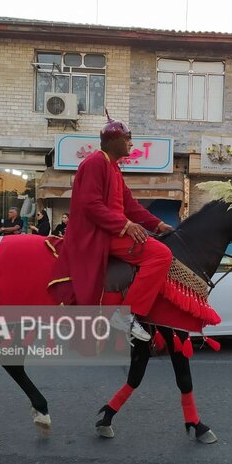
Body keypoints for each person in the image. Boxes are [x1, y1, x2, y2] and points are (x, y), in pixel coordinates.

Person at [48, 114, 174, 341]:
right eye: (127, 138)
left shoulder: (113, 167)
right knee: (162, 255)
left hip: (112, 230)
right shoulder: (95, 162)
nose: (131, 143)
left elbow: (129, 205)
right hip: (99, 234)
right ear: (113, 140)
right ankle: (128, 314)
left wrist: (157, 223)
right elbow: (90, 205)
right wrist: (125, 225)